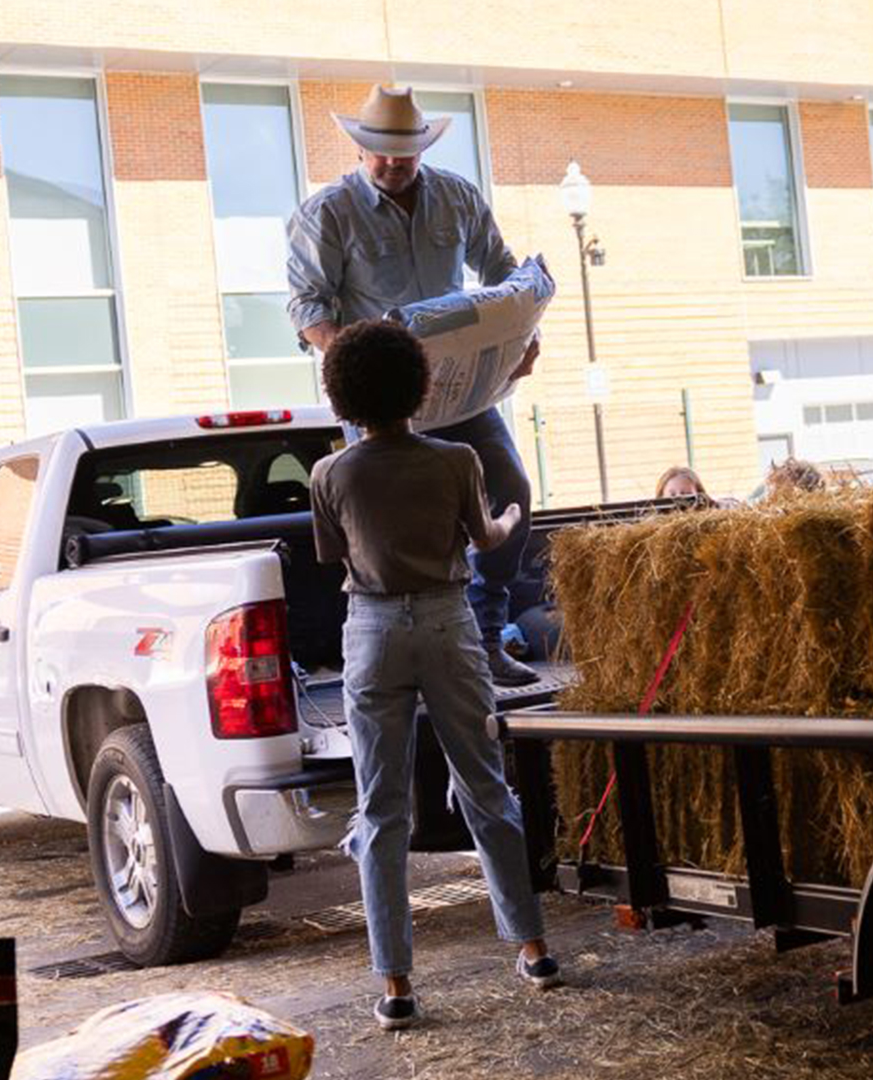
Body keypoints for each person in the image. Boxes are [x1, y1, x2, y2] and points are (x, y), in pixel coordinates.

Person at [310, 320, 560, 1032]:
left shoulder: (332, 473)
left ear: (341, 397)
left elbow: (337, 557)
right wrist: (510, 516)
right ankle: (534, 950)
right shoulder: (455, 459)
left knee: (381, 807)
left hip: (373, 629)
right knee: (485, 787)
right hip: (450, 623)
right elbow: (484, 540)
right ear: (420, 388)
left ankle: (395, 985)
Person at [287, 84, 540, 688]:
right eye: (381, 153)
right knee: (390, 527)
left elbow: (503, 272)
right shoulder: (326, 214)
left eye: (405, 153)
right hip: (379, 395)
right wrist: (356, 357)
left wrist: (521, 334)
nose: (393, 164)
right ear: (359, 148)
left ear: (422, 149)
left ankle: (483, 636)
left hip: (460, 388)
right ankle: (401, 659)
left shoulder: (457, 198)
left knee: (510, 489)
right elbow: (306, 308)